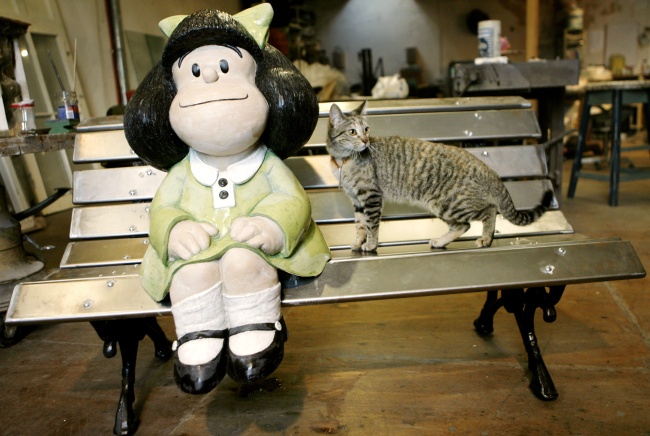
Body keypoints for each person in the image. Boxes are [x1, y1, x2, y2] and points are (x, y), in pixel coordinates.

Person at [123, 4, 330, 395]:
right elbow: (162, 208)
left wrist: (272, 223)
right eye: (194, 72)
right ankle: (198, 333)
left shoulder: (265, 163)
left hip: (254, 250)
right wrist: (174, 229)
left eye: (224, 66)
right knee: (189, 273)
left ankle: (256, 325)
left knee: (243, 261)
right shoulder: (183, 172)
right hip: (197, 254)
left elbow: (291, 198)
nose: (210, 78)